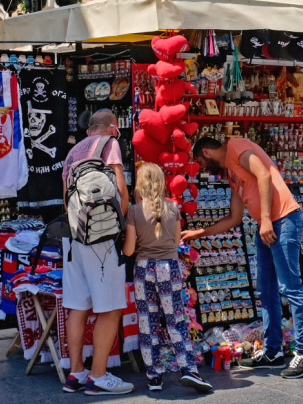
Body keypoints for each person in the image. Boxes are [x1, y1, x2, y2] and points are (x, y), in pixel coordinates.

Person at [183, 136, 303, 379]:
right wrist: (199, 233)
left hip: (282, 220)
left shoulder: (235, 146)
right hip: (267, 224)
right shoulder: (231, 175)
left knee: (290, 287)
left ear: (207, 151)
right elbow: (234, 218)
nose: (202, 168)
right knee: (266, 291)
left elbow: (264, 174)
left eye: (199, 162)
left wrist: (266, 218)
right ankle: (272, 352)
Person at [60, 110, 133, 395]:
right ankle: (98, 375)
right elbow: (121, 190)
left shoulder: (72, 152)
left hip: (73, 235)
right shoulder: (109, 144)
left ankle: (76, 373)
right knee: (112, 307)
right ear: (112, 128)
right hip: (102, 236)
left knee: (78, 304)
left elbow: (65, 197)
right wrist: (118, 226)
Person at [123, 163, 212, 394]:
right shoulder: (173, 208)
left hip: (143, 268)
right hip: (168, 267)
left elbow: (130, 251)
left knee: (147, 323)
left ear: (140, 185)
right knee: (176, 320)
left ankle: (154, 377)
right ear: (162, 183)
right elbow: (175, 243)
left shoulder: (133, 211)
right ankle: (188, 369)